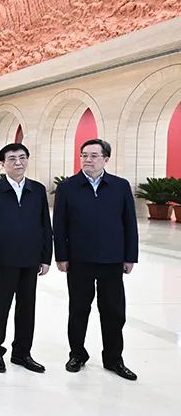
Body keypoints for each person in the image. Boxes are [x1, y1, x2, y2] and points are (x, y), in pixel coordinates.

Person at [53, 139, 138, 380]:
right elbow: (59, 225)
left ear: (106, 159)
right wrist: (61, 256)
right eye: (84, 155)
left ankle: (113, 359)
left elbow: (129, 223)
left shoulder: (120, 186)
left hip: (112, 260)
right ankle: (77, 354)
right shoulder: (68, 187)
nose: (87, 160)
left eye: (93, 155)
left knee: (113, 311)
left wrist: (130, 256)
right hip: (79, 260)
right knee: (78, 309)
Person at [0, 143, 52, 374]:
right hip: (1, 262)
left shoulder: (37, 190)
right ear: (3, 163)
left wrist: (45, 257)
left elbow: (45, 225)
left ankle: (22, 353)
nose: (18, 162)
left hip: (30, 260)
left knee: (27, 309)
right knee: (0, 308)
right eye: (12, 159)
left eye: (22, 157)